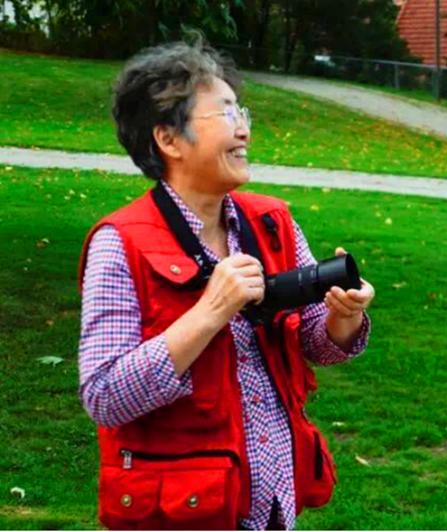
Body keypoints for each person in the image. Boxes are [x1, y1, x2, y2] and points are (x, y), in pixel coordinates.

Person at [78, 40, 375, 530]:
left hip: (275, 503)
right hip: (186, 510)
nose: (244, 130)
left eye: (243, 113)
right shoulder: (120, 244)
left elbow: (315, 342)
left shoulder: (272, 221)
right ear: (169, 140)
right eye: (225, 114)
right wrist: (209, 311)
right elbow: (105, 396)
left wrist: (345, 317)